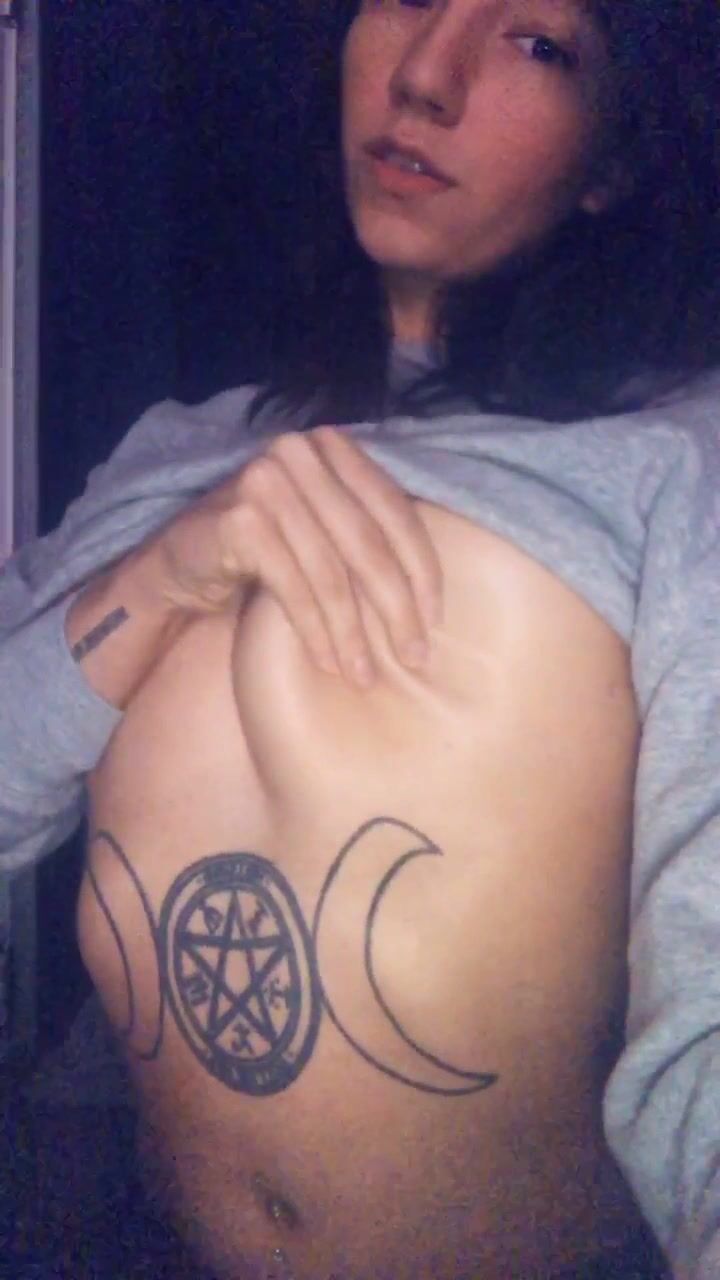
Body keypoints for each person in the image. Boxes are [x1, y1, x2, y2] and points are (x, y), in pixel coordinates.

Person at [2, 0, 719, 1276]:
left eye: (537, 42)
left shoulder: (676, 462)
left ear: (611, 161)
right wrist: (164, 574)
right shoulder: (172, 451)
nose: (427, 77)